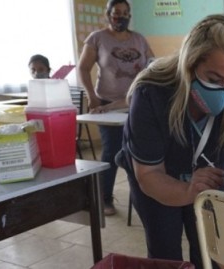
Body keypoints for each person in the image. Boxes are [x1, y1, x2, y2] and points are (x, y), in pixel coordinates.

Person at [116, 14, 224, 268]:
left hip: (213, 173)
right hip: (157, 177)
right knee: (165, 250)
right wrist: (187, 190)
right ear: (189, 66)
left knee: (211, 248)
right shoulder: (152, 93)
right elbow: (149, 174)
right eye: (212, 79)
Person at [77, 0, 154, 216]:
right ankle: (104, 198)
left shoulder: (139, 39)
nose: (121, 17)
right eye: (117, 13)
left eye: (125, 13)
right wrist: (91, 96)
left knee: (138, 150)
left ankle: (144, 196)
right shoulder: (97, 38)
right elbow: (83, 69)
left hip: (135, 103)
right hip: (107, 104)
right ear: (108, 14)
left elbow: (153, 64)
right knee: (112, 150)